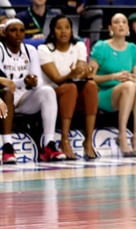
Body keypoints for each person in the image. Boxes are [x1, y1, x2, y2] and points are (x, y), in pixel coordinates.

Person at [0, 18, 66, 163]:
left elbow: (39, 81)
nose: (18, 34)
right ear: (4, 33)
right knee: (7, 91)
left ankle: (49, 144)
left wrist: (33, 82)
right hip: (4, 99)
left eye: (22, 31)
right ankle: (7, 146)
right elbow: (5, 84)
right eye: (13, 30)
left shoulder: (30, 50)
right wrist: (21, 82)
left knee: (48, 91)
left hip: (24, 98)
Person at [37, 15, 99, 160]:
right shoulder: (44, 49)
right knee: (69, 87)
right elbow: (57, 79)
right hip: (53, 95)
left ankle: (88, 140)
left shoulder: (79, 46)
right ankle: (64, 140)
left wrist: (86, 73)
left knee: (90, 85)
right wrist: (72, 73)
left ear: (72, 31)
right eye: (59, 28)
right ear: (52, 31)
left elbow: (80, 73)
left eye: (67, 28)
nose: (63, 31)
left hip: (75, 92)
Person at [90, 13, 136, 157]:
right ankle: (122, 135)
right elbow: (90, 77)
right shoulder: (101, 47)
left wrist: (129, 76)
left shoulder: (133, 49)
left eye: (124, 22)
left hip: (127, 91)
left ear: (128, 27)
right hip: (104, 93)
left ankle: (135, 137)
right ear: (110, 28)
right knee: (129, 86)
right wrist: (113, 76)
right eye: (116, 22)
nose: (121, 25)